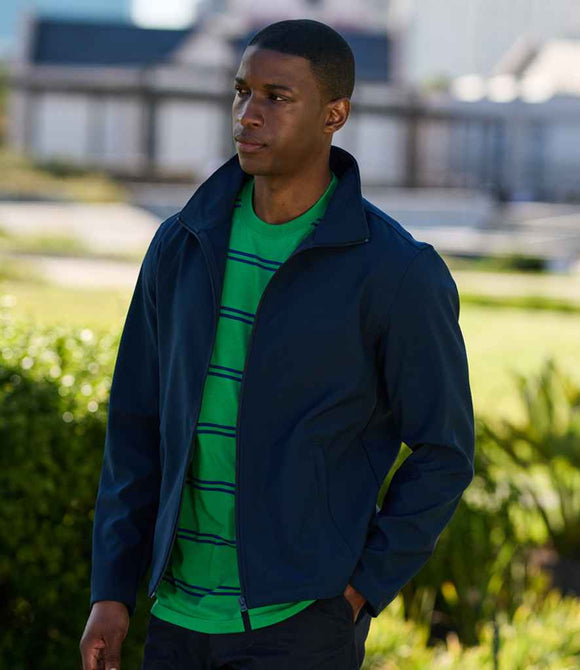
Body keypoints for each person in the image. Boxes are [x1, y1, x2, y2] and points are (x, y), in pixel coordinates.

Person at [80, 18, 475, 670]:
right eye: (242, 91)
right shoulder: (182, 245)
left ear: (334, 114)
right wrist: (112, 591)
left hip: (301, 625)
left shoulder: (396, 271)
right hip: (176, 619)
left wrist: (358, 591)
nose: (247, 115)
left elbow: (444, 451)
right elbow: (134, 426)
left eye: (276, 97)